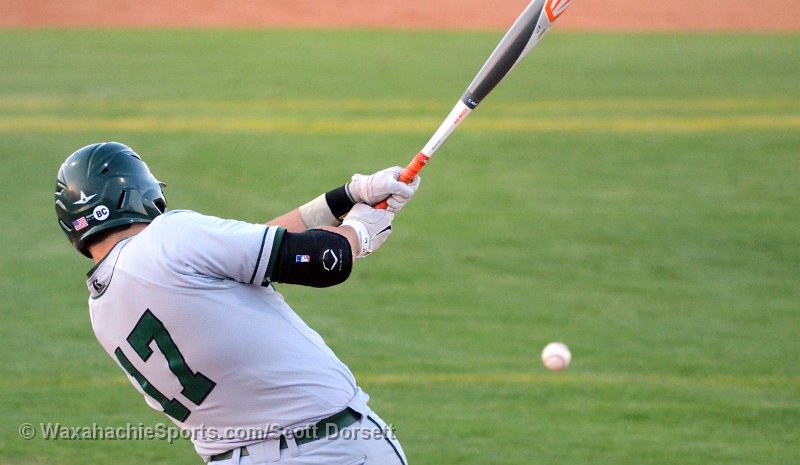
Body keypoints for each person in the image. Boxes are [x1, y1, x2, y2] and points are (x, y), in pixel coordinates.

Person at [54, 142, 420, 464]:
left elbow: (247, 249)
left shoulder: (103, 308)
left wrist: (346, 196)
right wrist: (360, 232)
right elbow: (323, 259)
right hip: (331, 449)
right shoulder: (168, 238)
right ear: (139, 191)